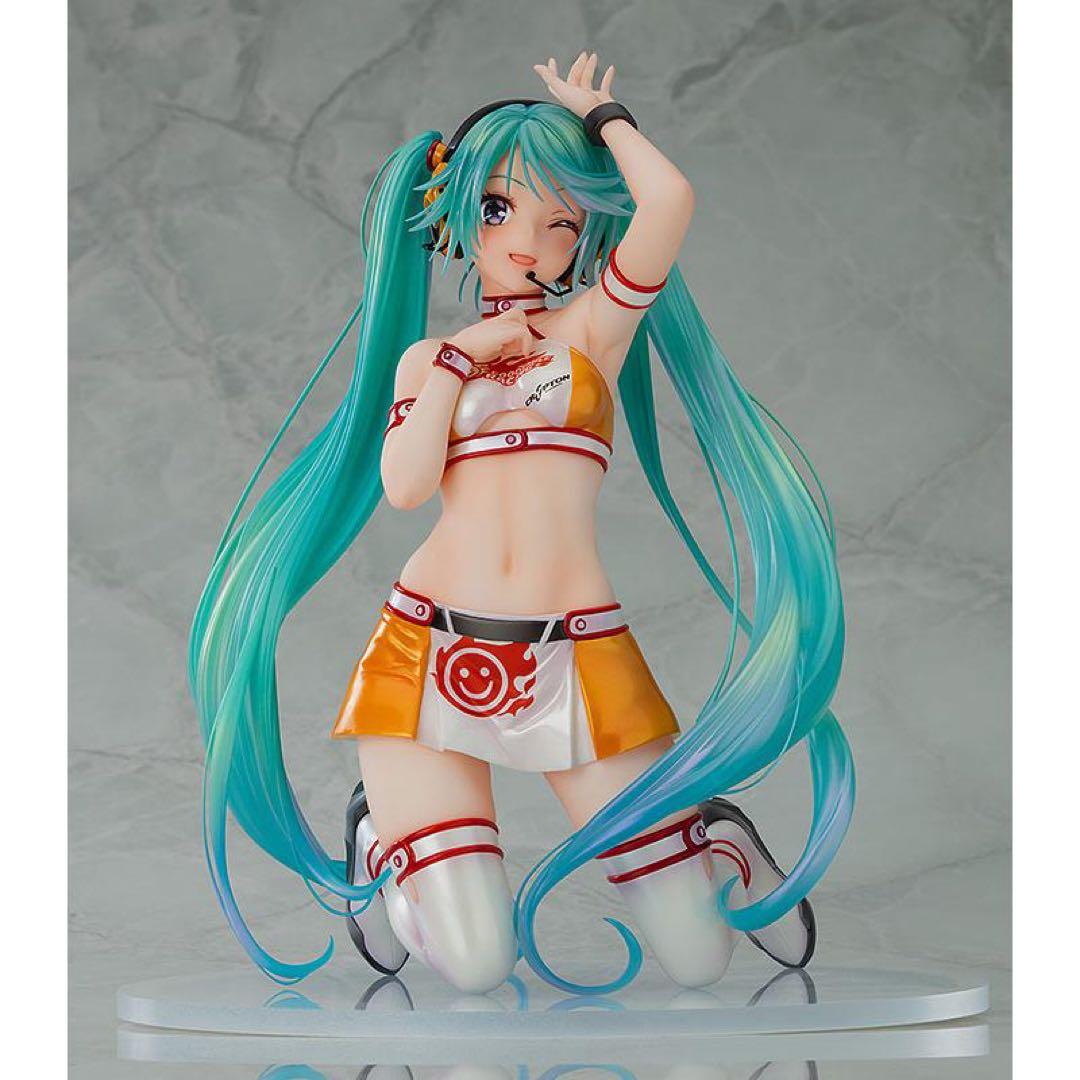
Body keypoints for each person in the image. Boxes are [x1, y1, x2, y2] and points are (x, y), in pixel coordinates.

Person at [189, 51, 854, 996]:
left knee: (700, 958)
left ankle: (714, 838)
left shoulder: (593, 333)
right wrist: (457, 362)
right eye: (501, 208)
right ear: (461, 211)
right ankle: (384, 839)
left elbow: (669, 202)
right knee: (474, 965)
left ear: (584, 234)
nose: (530, 242)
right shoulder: (428, 359)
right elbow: (405, 485)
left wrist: (604, 116)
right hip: (426, 652)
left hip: (578, 655)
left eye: (562, 220)